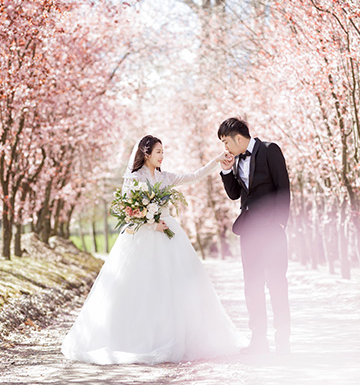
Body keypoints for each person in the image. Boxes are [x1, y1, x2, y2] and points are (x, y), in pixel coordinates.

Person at [61, 135, 241, 365]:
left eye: (163, 152)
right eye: (158, 152)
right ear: (146, 153)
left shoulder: (165, 177)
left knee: (177, 283)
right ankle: (137, 337)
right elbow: (128, 211)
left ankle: (178, 334)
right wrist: (150, 223)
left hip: (169, 233)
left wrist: (217, 160)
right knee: (141, 286)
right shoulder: (134, 178)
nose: (162, 156)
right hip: (144, 237)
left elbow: (194, 176)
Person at [218, 117, 291, 355]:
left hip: (271, 231)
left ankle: (283, 342)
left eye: (226, 142)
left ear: (238, 138)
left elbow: (283, 187)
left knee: (277, 285)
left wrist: (279, 223)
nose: (225, 148)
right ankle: (259, 341)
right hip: (248, 232)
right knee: (252, 286)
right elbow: (234, 194)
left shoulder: (270, 150)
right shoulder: (237, 160)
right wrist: (227, 170)